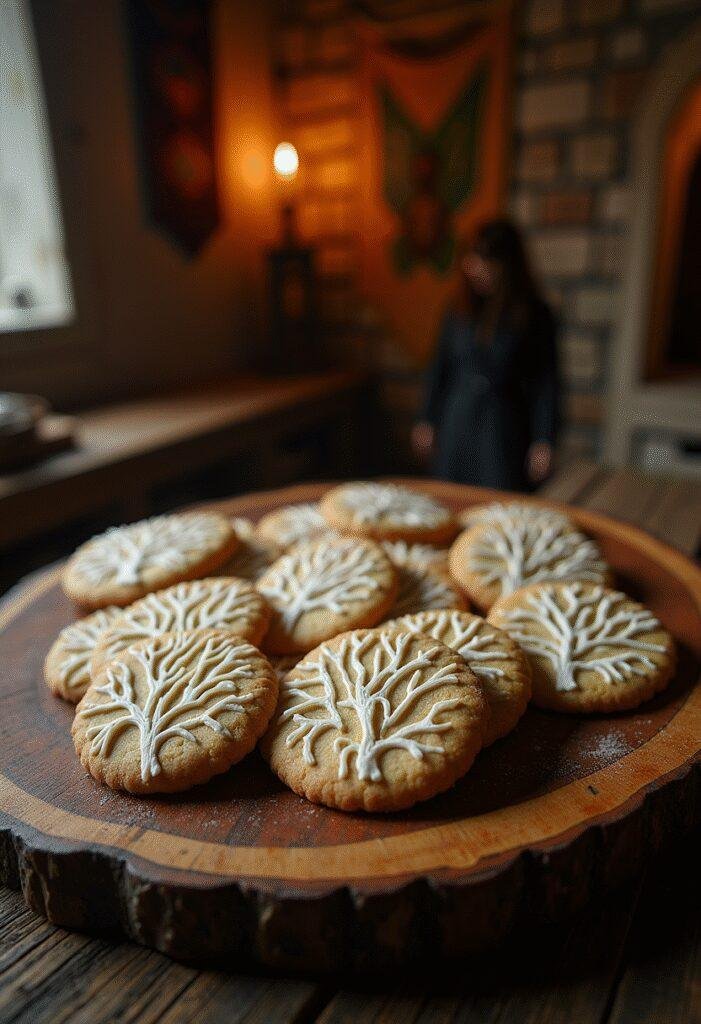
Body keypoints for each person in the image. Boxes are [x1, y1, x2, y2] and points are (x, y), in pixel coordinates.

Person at [412, 219, 558, 490]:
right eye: (472, 258)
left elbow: (545, 382)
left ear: (508, 266)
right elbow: (439, 368)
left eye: (486, 260)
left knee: (498, 501)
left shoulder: (533, 314)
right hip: (457, 420)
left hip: (502, 428)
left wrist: (544, 439)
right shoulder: (457, 309)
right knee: (449, 496)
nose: (475, 268)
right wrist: (426, 418)